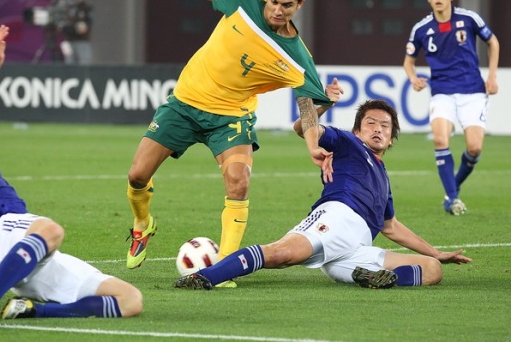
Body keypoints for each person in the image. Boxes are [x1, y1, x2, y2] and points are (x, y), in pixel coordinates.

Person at [123, 0, 343, 279]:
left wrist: (315, 140)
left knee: (238, 183)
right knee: (137, 175)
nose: (277, 10)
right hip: (184, 104)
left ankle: (223, 268)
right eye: (273, 1)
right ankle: (142, 223)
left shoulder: (298, 59)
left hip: (230, 118)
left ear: (300, 4)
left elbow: (306, 112)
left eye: (287, 5)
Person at [0, 25, 143, 327]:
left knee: (130, 300)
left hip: (29, 252)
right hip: (3, 234)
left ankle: (31, 310)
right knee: (50, 229)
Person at [174, 100, 472, 290]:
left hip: (356, 250)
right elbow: (302, 127)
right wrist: (322, 104)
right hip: (337, 219)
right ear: (357, 131)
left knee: (431, 270)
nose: (378, 129)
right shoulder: (348, 143)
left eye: (385, 126)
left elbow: (390, 226)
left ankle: (375, 279)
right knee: (281, 255)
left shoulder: (383, 178)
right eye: (370, 123)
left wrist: (435, 252)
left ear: (392, 138)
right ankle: (204, 277)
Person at [403, 0, 500, 216]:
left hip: (472, 91)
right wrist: (413, 79)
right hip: (442, 91)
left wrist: (492, 76)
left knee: (475, 148)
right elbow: (408, 61)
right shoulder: (421, 28)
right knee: (440, 139)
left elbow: (493, 42)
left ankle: (451, 190)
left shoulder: (469, 18)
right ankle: (454, 199)